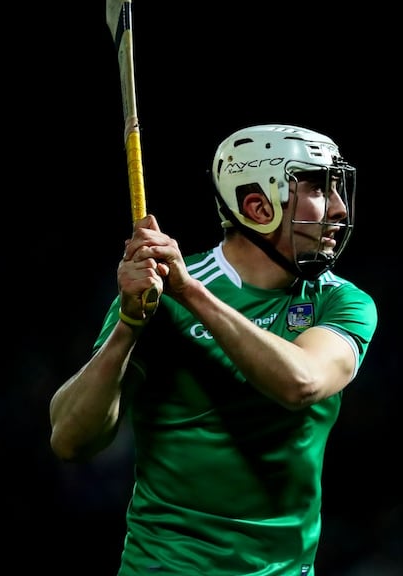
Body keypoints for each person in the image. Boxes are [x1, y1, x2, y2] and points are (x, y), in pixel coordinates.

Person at [49, 124, 377, 575]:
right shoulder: (157, 294)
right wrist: (127, 327)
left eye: (338, 189)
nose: (339, 208)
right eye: (320, 188)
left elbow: (301, 383)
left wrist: (191, 295)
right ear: (258, 206)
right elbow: (70, 439)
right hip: (165, 567)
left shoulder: (340, 301)